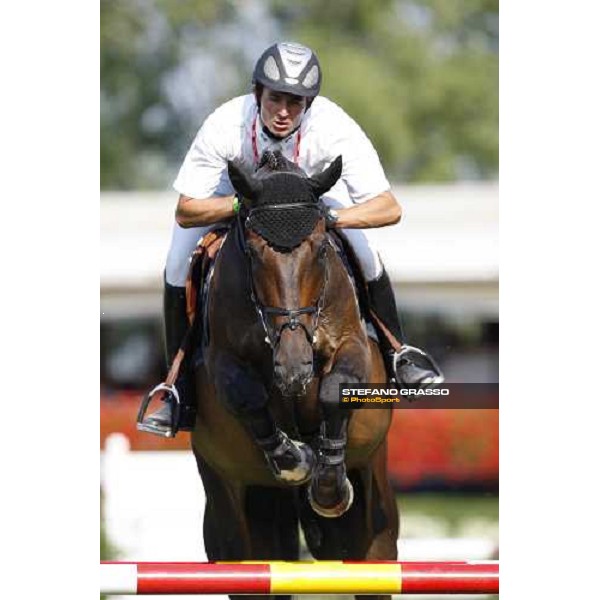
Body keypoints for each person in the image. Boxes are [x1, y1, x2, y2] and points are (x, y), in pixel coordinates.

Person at [139, 41, 443, 439]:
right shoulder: (225, 124)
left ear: (309, 104)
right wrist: (242, 206)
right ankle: (177, 388)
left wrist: (333, 217)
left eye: (296, 103)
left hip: (312, 204)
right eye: (276, 99)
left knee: (367, 255)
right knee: (178, 264)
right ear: (257, 94)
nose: (284, 112)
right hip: (236, 200)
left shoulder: (334, 128)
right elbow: (187, 210)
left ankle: (398, 353)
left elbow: (389, 208)